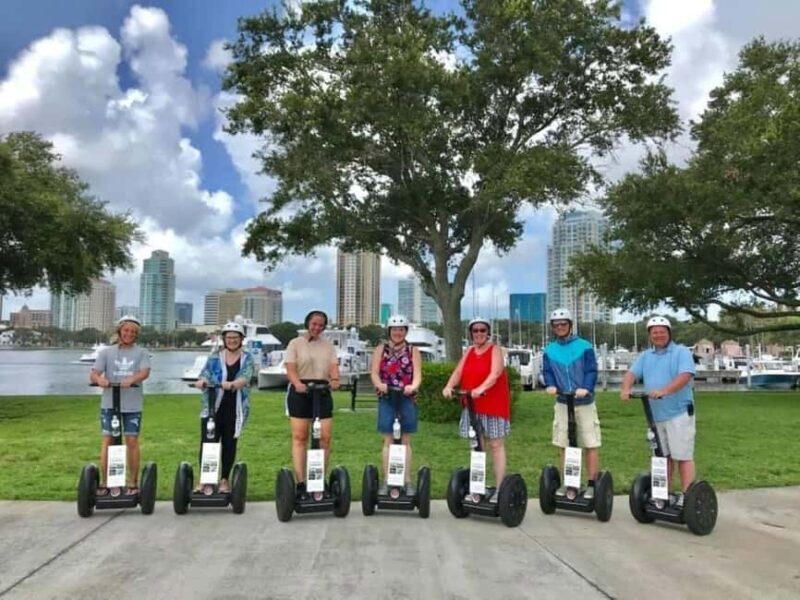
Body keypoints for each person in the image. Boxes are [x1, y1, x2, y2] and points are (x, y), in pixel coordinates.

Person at [621, 315, 696, 507]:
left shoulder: (681, 352)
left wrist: (665, 391)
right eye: (654, 332)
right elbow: (632, 373)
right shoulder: (646, 356)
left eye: (662, 331)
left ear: (669, 333)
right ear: (649, 335)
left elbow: (685, 375)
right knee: (662, 457)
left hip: (678, 413)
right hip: (655, 417)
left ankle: (688, 497)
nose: (658, 335)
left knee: (683, 456)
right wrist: (626, 388)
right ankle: (664, 495)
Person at [442, 317, 511, 503]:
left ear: (487, 332)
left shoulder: (495, 350)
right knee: (476, 447)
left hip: (493, 405)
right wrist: (449, 386)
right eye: (475, 330)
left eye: (482, 330)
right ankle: (477, 487)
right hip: (472, 407)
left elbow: (496, 372)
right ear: (471, 333)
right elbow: (458, 372)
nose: (479, 333)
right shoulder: (470, 351)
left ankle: (499, 490)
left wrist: (482, 388)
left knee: (495, 445)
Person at [542, 308, 601, 499]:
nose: (560, 327)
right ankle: (569, 482)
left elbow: (591, 370)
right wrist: (550, 384)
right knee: (563, 443)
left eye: (563, 324)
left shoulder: (584, 346)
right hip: (562, 402)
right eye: (556, 325)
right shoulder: (549, 350)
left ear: (570, 325)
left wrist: (586, 387)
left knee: (589, 442)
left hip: (584, 402)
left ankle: (592, 484)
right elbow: (548, 371)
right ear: (553, 327)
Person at [89, 315, 151, 496]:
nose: (129, 334)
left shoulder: (141, 352)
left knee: (131, 440)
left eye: (133, 332)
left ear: (136, 334)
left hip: (132, 405)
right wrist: (100, 379)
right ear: (119, 332)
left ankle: (133, 482)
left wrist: (132, 378)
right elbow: (93, 374)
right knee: (108, 440)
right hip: (110, 404)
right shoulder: (106, 352)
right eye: (126, 330)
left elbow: (145, 372)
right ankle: (105, 481)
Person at [284, 310, 341, 499]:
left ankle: (319, 479)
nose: (317, 327)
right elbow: (290, 369)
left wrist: (335, 380)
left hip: (322, 391)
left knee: (324, 438)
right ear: (307, 323)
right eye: (314, 323)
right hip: (301, 392)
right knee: (300, 437)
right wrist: (298, 384)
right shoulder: (295, 343)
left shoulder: (328, 346)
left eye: (321, 325)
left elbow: (333, 367)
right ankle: (301, 482)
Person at [195, 321, 254, 493]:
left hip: (234, 408)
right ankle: (205, 479)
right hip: (213, 406)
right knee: (208, 443)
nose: (232, 340)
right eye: (229, 337)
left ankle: (224, 479)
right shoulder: (215, 356)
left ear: (241, 339)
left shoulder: (247, 358)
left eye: (235, 337)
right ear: (224, 339)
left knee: (229, 443)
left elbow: (246, 376)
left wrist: (234, 384)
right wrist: (202, 381)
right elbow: (205, 373)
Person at [370, 314, 422, 496]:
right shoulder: (380, 349)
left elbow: (418, 375)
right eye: (394, 330)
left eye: (401, 330)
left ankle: (407, 481)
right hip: (387, 397)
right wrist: (380, 385)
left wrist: (413, 386)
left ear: (406, 331)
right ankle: (387, 480)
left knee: (405, 441)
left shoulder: (413, 351)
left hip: (407, 398)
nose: (398, 333)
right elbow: (374, 373)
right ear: (389, 331)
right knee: (389, 441)